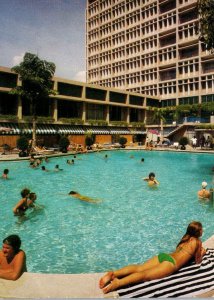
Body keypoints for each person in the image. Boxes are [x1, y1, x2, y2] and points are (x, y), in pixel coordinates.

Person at [99, 221, 206, 294]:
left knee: (140, 268)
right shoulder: (197, 242)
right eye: (201, 230)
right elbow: (198, 261)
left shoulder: (185, 238)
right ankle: (118, 283)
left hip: (164, 256)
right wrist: (202, 252)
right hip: (170, 264)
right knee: (144, 275)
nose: (203, 231)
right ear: (198, 232)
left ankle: (114, 273)